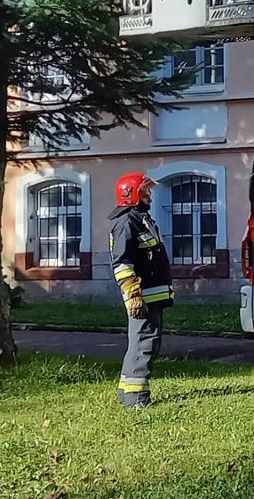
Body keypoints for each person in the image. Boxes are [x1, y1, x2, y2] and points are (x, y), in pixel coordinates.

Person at [110, 172, 173, 407]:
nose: (150, 196)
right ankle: (137, 399)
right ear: (131, 194)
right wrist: (134, 295)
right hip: (142, 297)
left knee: (141, 342)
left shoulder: (141, 219)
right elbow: (122, 263)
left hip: (151, 295)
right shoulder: (127, 223)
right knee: (144, 343)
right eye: (145, 191)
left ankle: (126, 393)